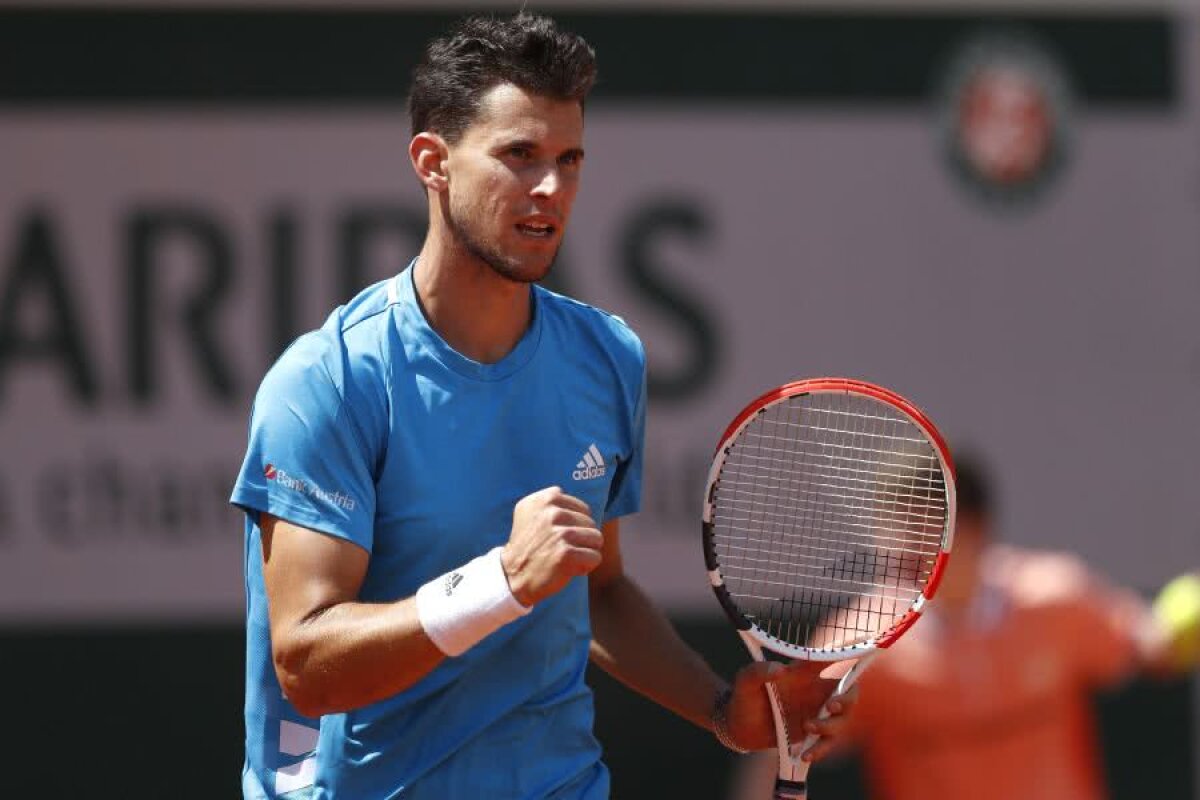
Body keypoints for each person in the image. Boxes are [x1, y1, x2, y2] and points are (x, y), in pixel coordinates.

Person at [230, 13, 853, 799]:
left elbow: (597, 590)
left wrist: (727, 711)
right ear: (433, 163)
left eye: (569, 159)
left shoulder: (606, 358)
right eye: (519, 156)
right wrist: (500, 583)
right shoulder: (328, 382)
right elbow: (307, 667)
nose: (551, 188)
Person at [730, 453, 1186, 800]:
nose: (908, 553)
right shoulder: (855, 641)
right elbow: (779, 753)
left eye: (926, 533)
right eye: (897, 534)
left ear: (977, 529)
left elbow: (1150, 647)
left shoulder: (1057, 597)